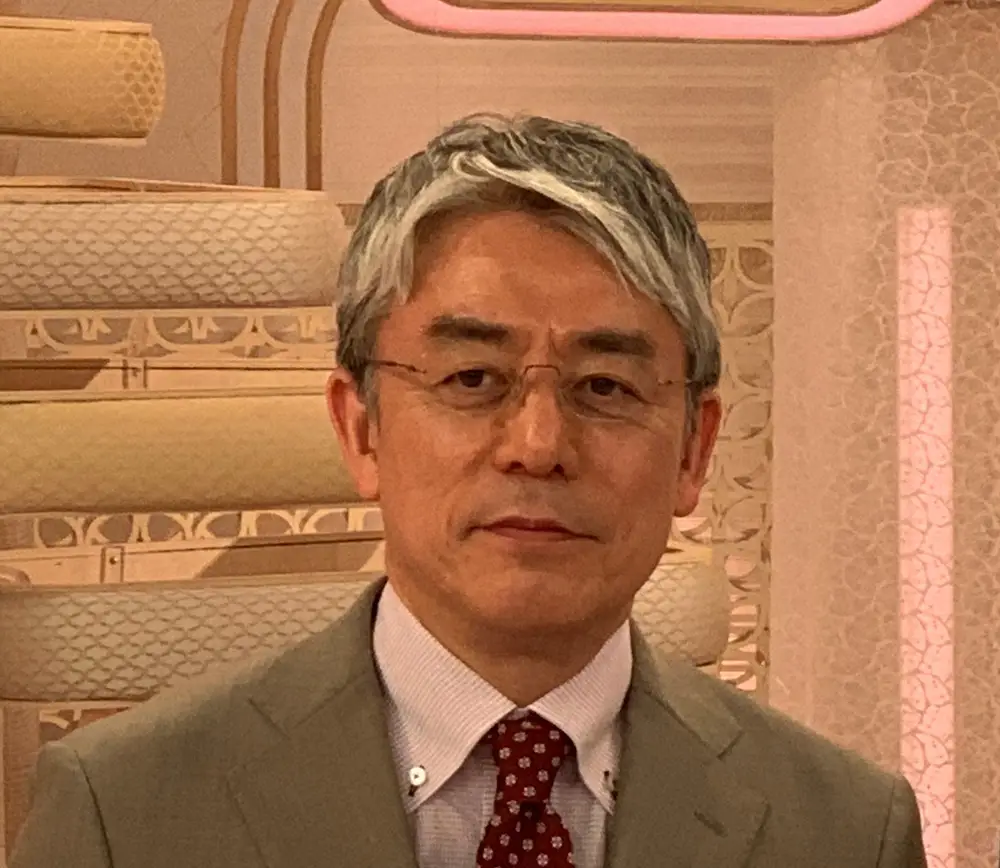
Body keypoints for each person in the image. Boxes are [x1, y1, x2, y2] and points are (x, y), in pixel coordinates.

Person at [10, 113, 927, 868]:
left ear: (694, 448)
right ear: (361, 429)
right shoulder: (124, 814)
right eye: (473, 379)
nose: (538, 445)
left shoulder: (847, 833)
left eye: (606, 387)